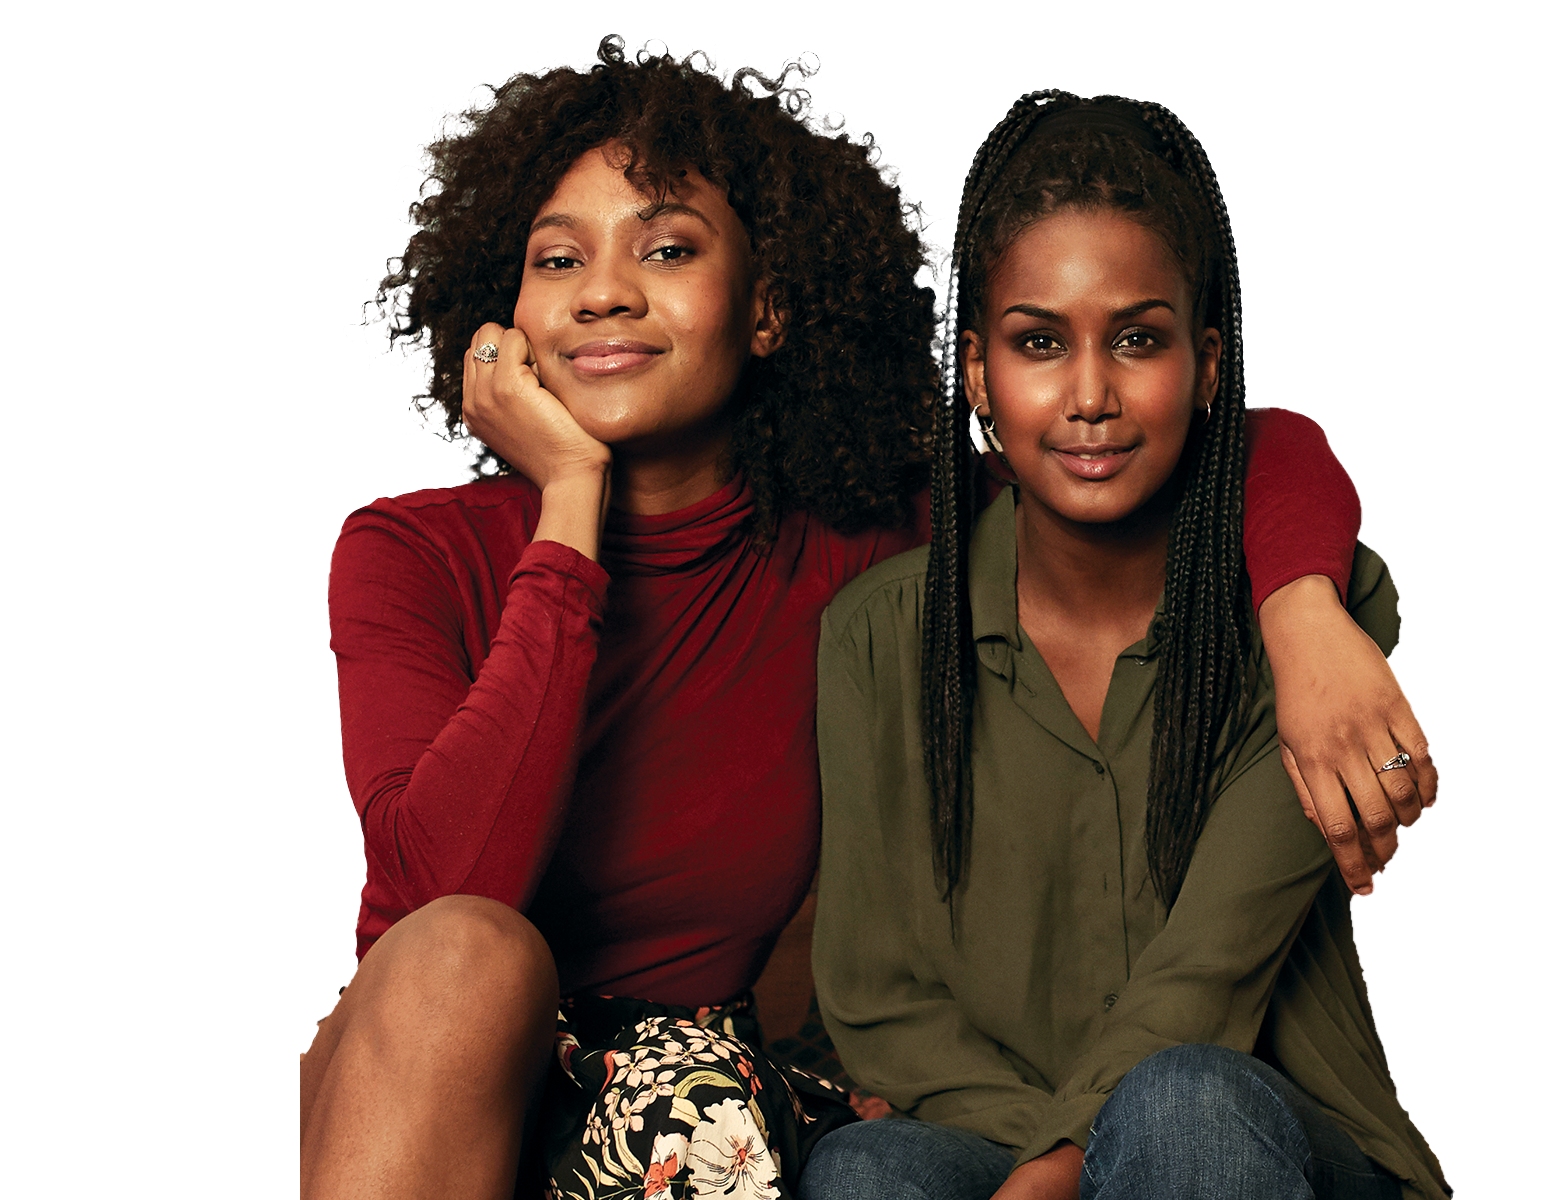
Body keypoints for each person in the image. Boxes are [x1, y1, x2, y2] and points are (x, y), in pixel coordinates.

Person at [300, 37, 1428, 1200]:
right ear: (509, 310)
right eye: (557, 258)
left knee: (777, 1135)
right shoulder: (411, 551)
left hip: (687, 1114)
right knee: (468, 956)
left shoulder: (855, 551)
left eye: (668, 247)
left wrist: (1300, 609)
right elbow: (449, 894)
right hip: (426, 1079)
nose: (602, 291)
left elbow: (1221, 447)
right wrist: (568, 506)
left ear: (769, 310)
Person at [803, 91, 1449, 1200]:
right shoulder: (875, 640)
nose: (1091, 394)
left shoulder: (1316, 619)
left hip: (1269, 1147)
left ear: (1206, 366)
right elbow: (877, 1002)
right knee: (868, 1169)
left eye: (1138, 339)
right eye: (1039, 342)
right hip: (1005, 1145)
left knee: (1182, 1105)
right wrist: (1064, 1160)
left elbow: (1207, 973)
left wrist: (1064, 1169)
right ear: (976, 373)